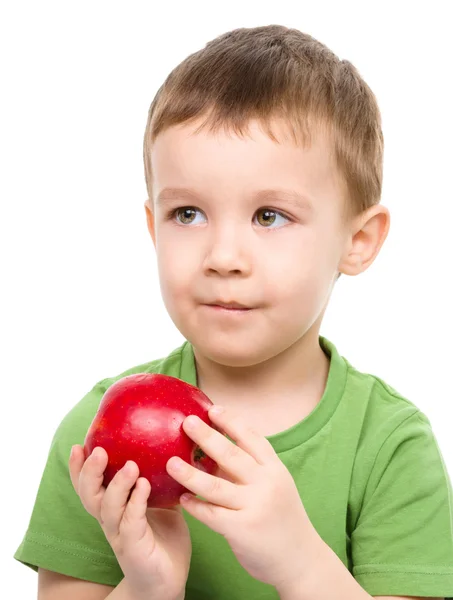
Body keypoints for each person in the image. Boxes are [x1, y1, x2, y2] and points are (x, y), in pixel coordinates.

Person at [14, 24, 453, 600]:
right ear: (153, 228)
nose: (222, 257)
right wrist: (147, 585)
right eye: (188, 213)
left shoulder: (390, 445)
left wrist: (300, 564)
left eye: (270, 216)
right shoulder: (97, 437)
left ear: (359, 240)